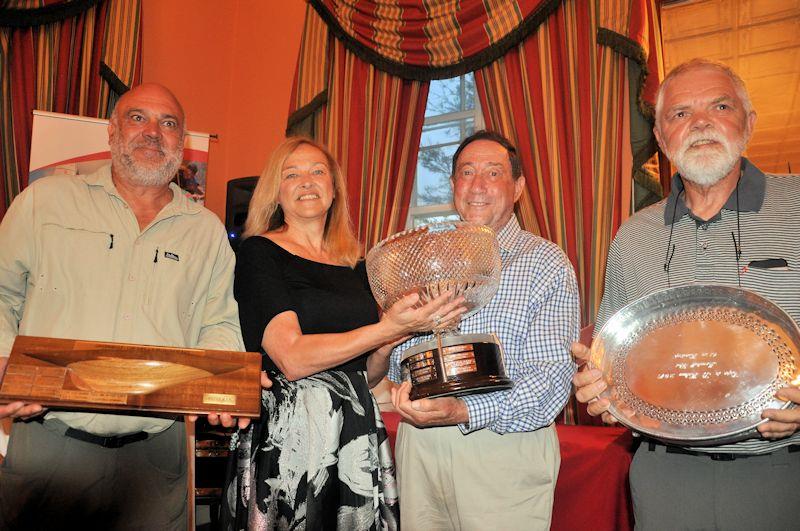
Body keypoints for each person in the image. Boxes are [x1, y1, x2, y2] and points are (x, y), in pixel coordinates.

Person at [0, 83, 248, 530]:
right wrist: (4, 360)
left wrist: (221, 384)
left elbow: (219, 323)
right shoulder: (44, 203)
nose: (153, 132)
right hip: (51, 444)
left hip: (156, 458)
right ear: (112, 132)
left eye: (168, 123)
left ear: (182, 142)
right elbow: (2, 294)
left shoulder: (205, 231)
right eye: (138, 118)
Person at [572, 59, 800, 530]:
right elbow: (614, 360)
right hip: (663, 476)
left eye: (719, 106)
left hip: (784, 469)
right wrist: (601, 387)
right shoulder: (633, 236)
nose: (699, 123)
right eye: (679, 114)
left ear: (748, 122)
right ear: (660, 137)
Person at [222, 136, 465, 530]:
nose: (307, 181)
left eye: (318, 172)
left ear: (334, 189)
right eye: (292, 174)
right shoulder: (259, 254)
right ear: (275, 192)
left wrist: (388, 341)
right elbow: (292, 357)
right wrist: (385, 327)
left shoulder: (358, 265)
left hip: (353, 432)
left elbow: (363, 375)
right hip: (292, 433)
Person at [388, 130, 580, 530]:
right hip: (419, 447)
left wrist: (463, 409)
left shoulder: (545, 263)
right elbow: (396, 366)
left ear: (518, 188)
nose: (477, 186)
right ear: (454, 185)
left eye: (493, 173)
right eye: (466, 172)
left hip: (502, 450)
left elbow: (551, 380)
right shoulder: (424, 262)